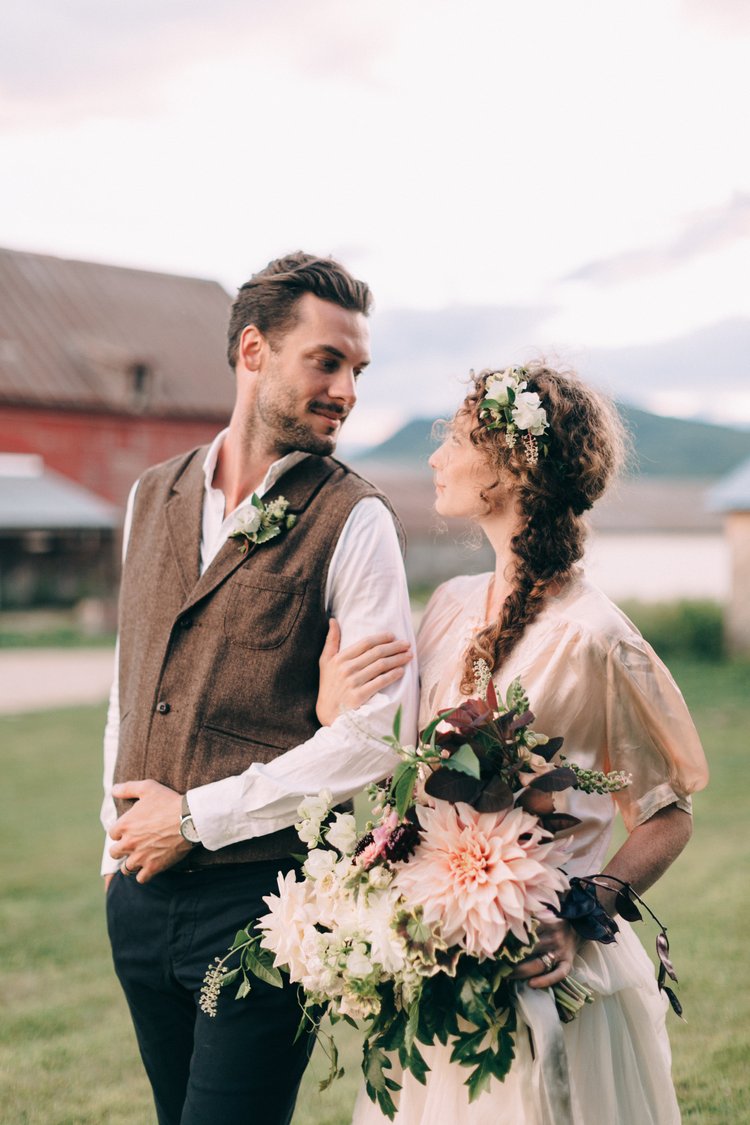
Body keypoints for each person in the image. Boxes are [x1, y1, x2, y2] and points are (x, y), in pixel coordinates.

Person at [317, 362, 709, 1124]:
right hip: (441, 966)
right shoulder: (450, 605)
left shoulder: (597, 638)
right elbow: (401, 758)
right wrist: (337, 704)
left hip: (554, 982)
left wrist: (579, 913)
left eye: (454, 439)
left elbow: (667, 813)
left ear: (510, 468)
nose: (435, 457)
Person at [100, 252, 419, 1125]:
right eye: (327, 361)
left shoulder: (356, 520)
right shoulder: (146, 497)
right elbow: (130, 688)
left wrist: (194, 817)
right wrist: (112, 857)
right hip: (138, 896)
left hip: (264, 905)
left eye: (357, 369)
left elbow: (378, 735)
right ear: (253, 352)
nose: (348, 390)